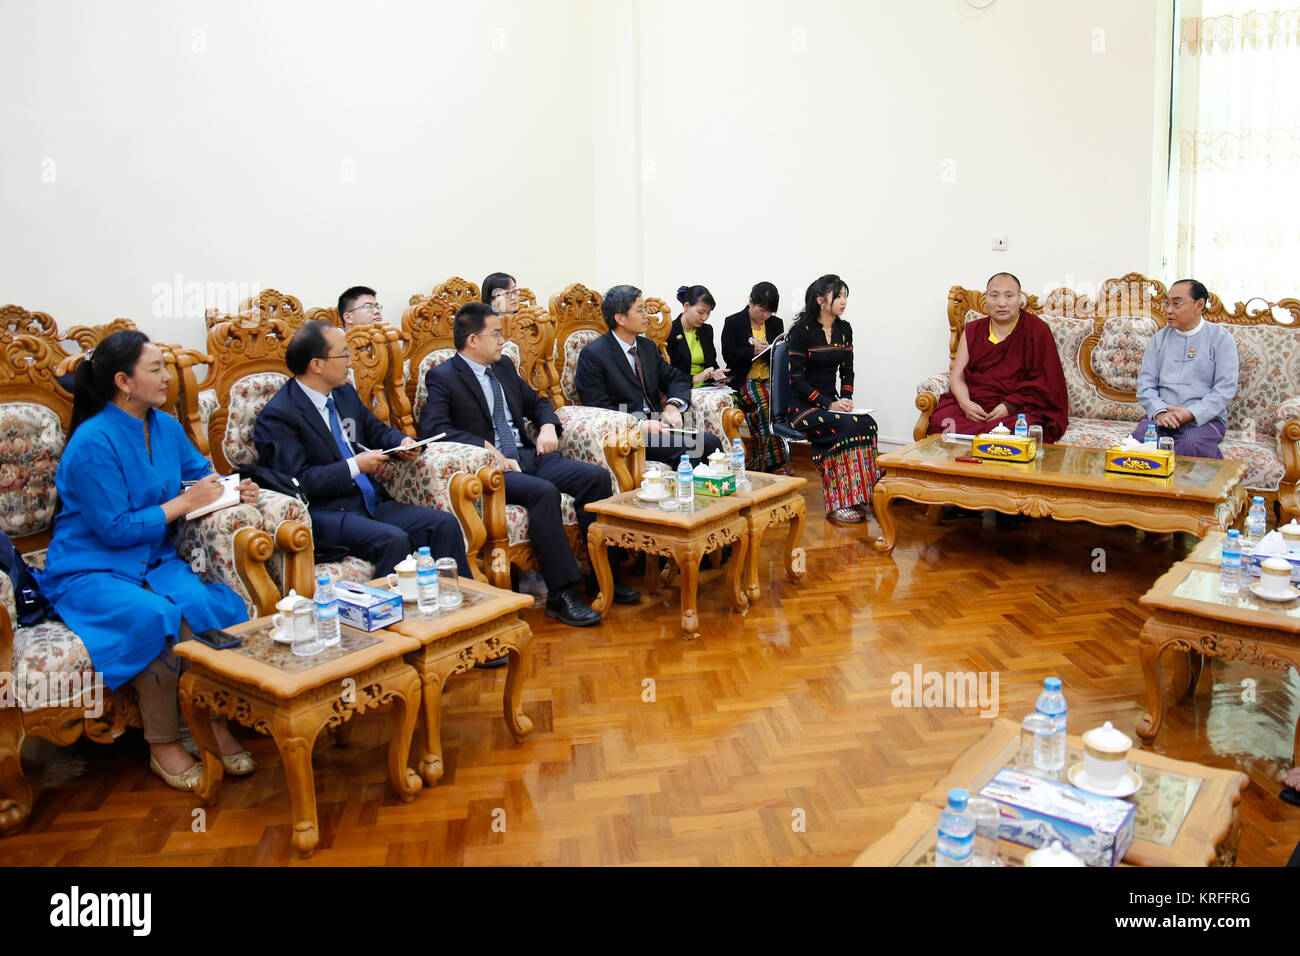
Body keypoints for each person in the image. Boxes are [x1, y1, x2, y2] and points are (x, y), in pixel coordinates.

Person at [39, 331, 259, 791]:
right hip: (90, 567)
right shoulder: (92, 442)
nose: (167, 376)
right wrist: (184, 504)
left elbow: (201, 475)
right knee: (156, 616)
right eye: (155, 368)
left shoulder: (163, 425)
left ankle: (212, 722)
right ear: (123, 381)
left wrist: (233, 489)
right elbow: (114, 528)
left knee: (202, 607)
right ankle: (164, 744)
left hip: (151, 559)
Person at [421, 302, 640, 629]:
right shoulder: (443, 376)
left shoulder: (504, 367)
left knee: (594, 478)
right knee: (543, 493)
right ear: (471, 341)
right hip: (489, 469)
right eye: (495, 333)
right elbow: (433, 429)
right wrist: (484, 447)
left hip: (527, 455)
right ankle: (560, 595)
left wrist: (548, 426)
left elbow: (538, 403)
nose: (502, 339)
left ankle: (601, 575)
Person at [253, 319, 471, 579]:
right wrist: (356, 466)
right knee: (394, 540)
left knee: (443, 524)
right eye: (344, 354)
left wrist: (401, 443)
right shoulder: (279, 416)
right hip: (325, 514)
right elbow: (299, 482)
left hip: (369, 503)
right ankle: (390, 617)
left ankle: (459, 607)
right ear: (317, 365)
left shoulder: (343, 394)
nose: (350, 361)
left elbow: (374, 430)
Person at [573, 284, 725, 467]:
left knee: (711, 443)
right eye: (640, 310)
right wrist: (638, 424)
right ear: (620, 318)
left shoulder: (646, 347)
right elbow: (597, 407)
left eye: (645, 309)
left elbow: (675, 378)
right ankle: (691, 495)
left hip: (657, 423)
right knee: (690, 449)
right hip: (627, 433)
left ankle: (717, 493)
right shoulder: (594, 354)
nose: (647, 315)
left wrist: (672, 405)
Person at [927, 273, 1069, 443]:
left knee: (1025, 428)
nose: (1001, 303)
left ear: (1019, 298)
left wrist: (1009, 406)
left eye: (1009, 296)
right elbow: (956, 376)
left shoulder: (1037, 331)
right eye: (994, 296)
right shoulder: (973, 330)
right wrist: (966, 405)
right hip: (976, 405)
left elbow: (1046, 384)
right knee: (942, 421)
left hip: (1017, 409)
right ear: (986, 298)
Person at [786, 275, 880, 524]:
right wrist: (828, 404)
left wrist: (846, 398)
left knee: (868, 423)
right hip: (802, 406)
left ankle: (860, 493)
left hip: (833, 403)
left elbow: (847, 370)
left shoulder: (844, 328)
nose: (843, 301)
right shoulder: (800, 332)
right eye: (837, 296)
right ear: (820, 300)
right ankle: (839, 502)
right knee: (845, 426)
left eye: (845, 295)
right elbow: (796, 380)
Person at [1130, 279, 1238, 458]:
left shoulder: (1221, 339)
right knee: (1140, 443)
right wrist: (1160, 412)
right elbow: (1146, 384)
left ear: (1199, 305)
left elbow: (1224, 389)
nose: (1168, 310)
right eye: (1167, 303)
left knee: (1191, 445)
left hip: (1203, 419)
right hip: (1162, 416)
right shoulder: (1159, 339)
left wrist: (1191, 413)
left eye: (1177, 303)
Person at [721, 281, 786, 473]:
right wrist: (751, 350)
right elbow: (729, 356)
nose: (765, 315)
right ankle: (775, 463)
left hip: (770, 379)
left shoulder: (776, 323)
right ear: (751, 302)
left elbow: (780, 355)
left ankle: (760, 461)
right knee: (766, 404)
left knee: (779, 406)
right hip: (745, 380)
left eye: (769, 312)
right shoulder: (733, 322)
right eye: (761, 310)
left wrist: (770, 351)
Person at [666, 285, 728, 387]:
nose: (704, 318)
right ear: (686, 306)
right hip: (681, 388)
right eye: (701, 312)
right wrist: (695, 378)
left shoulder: (707, 330)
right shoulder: (669, 331)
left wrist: (717, 373)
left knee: (731, 400)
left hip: (707, 388)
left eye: (708, 313)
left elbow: (711, 363)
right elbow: (666, 371)